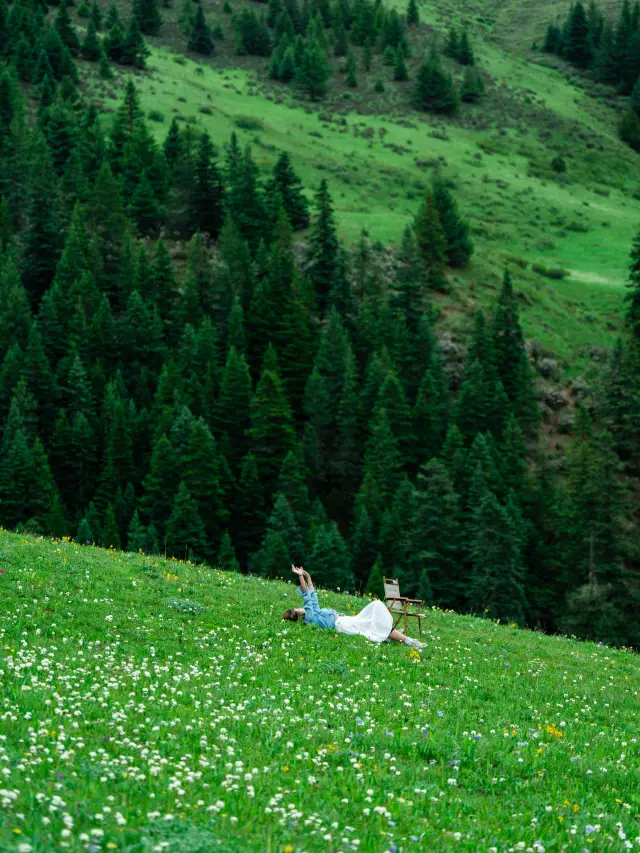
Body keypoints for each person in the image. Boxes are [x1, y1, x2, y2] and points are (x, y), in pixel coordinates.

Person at [283, 566, 426, 650]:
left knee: (374, 610)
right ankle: (410, 642)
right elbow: (307, 597)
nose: (300, 607)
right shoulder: (309, 617)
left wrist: (308, 578)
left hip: (346, 620)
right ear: (297, 613)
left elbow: (312, 596)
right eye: (297, 608)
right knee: (373, 617)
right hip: (344, 624)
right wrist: (300, 577)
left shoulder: (314, 613)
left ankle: (392, 635)